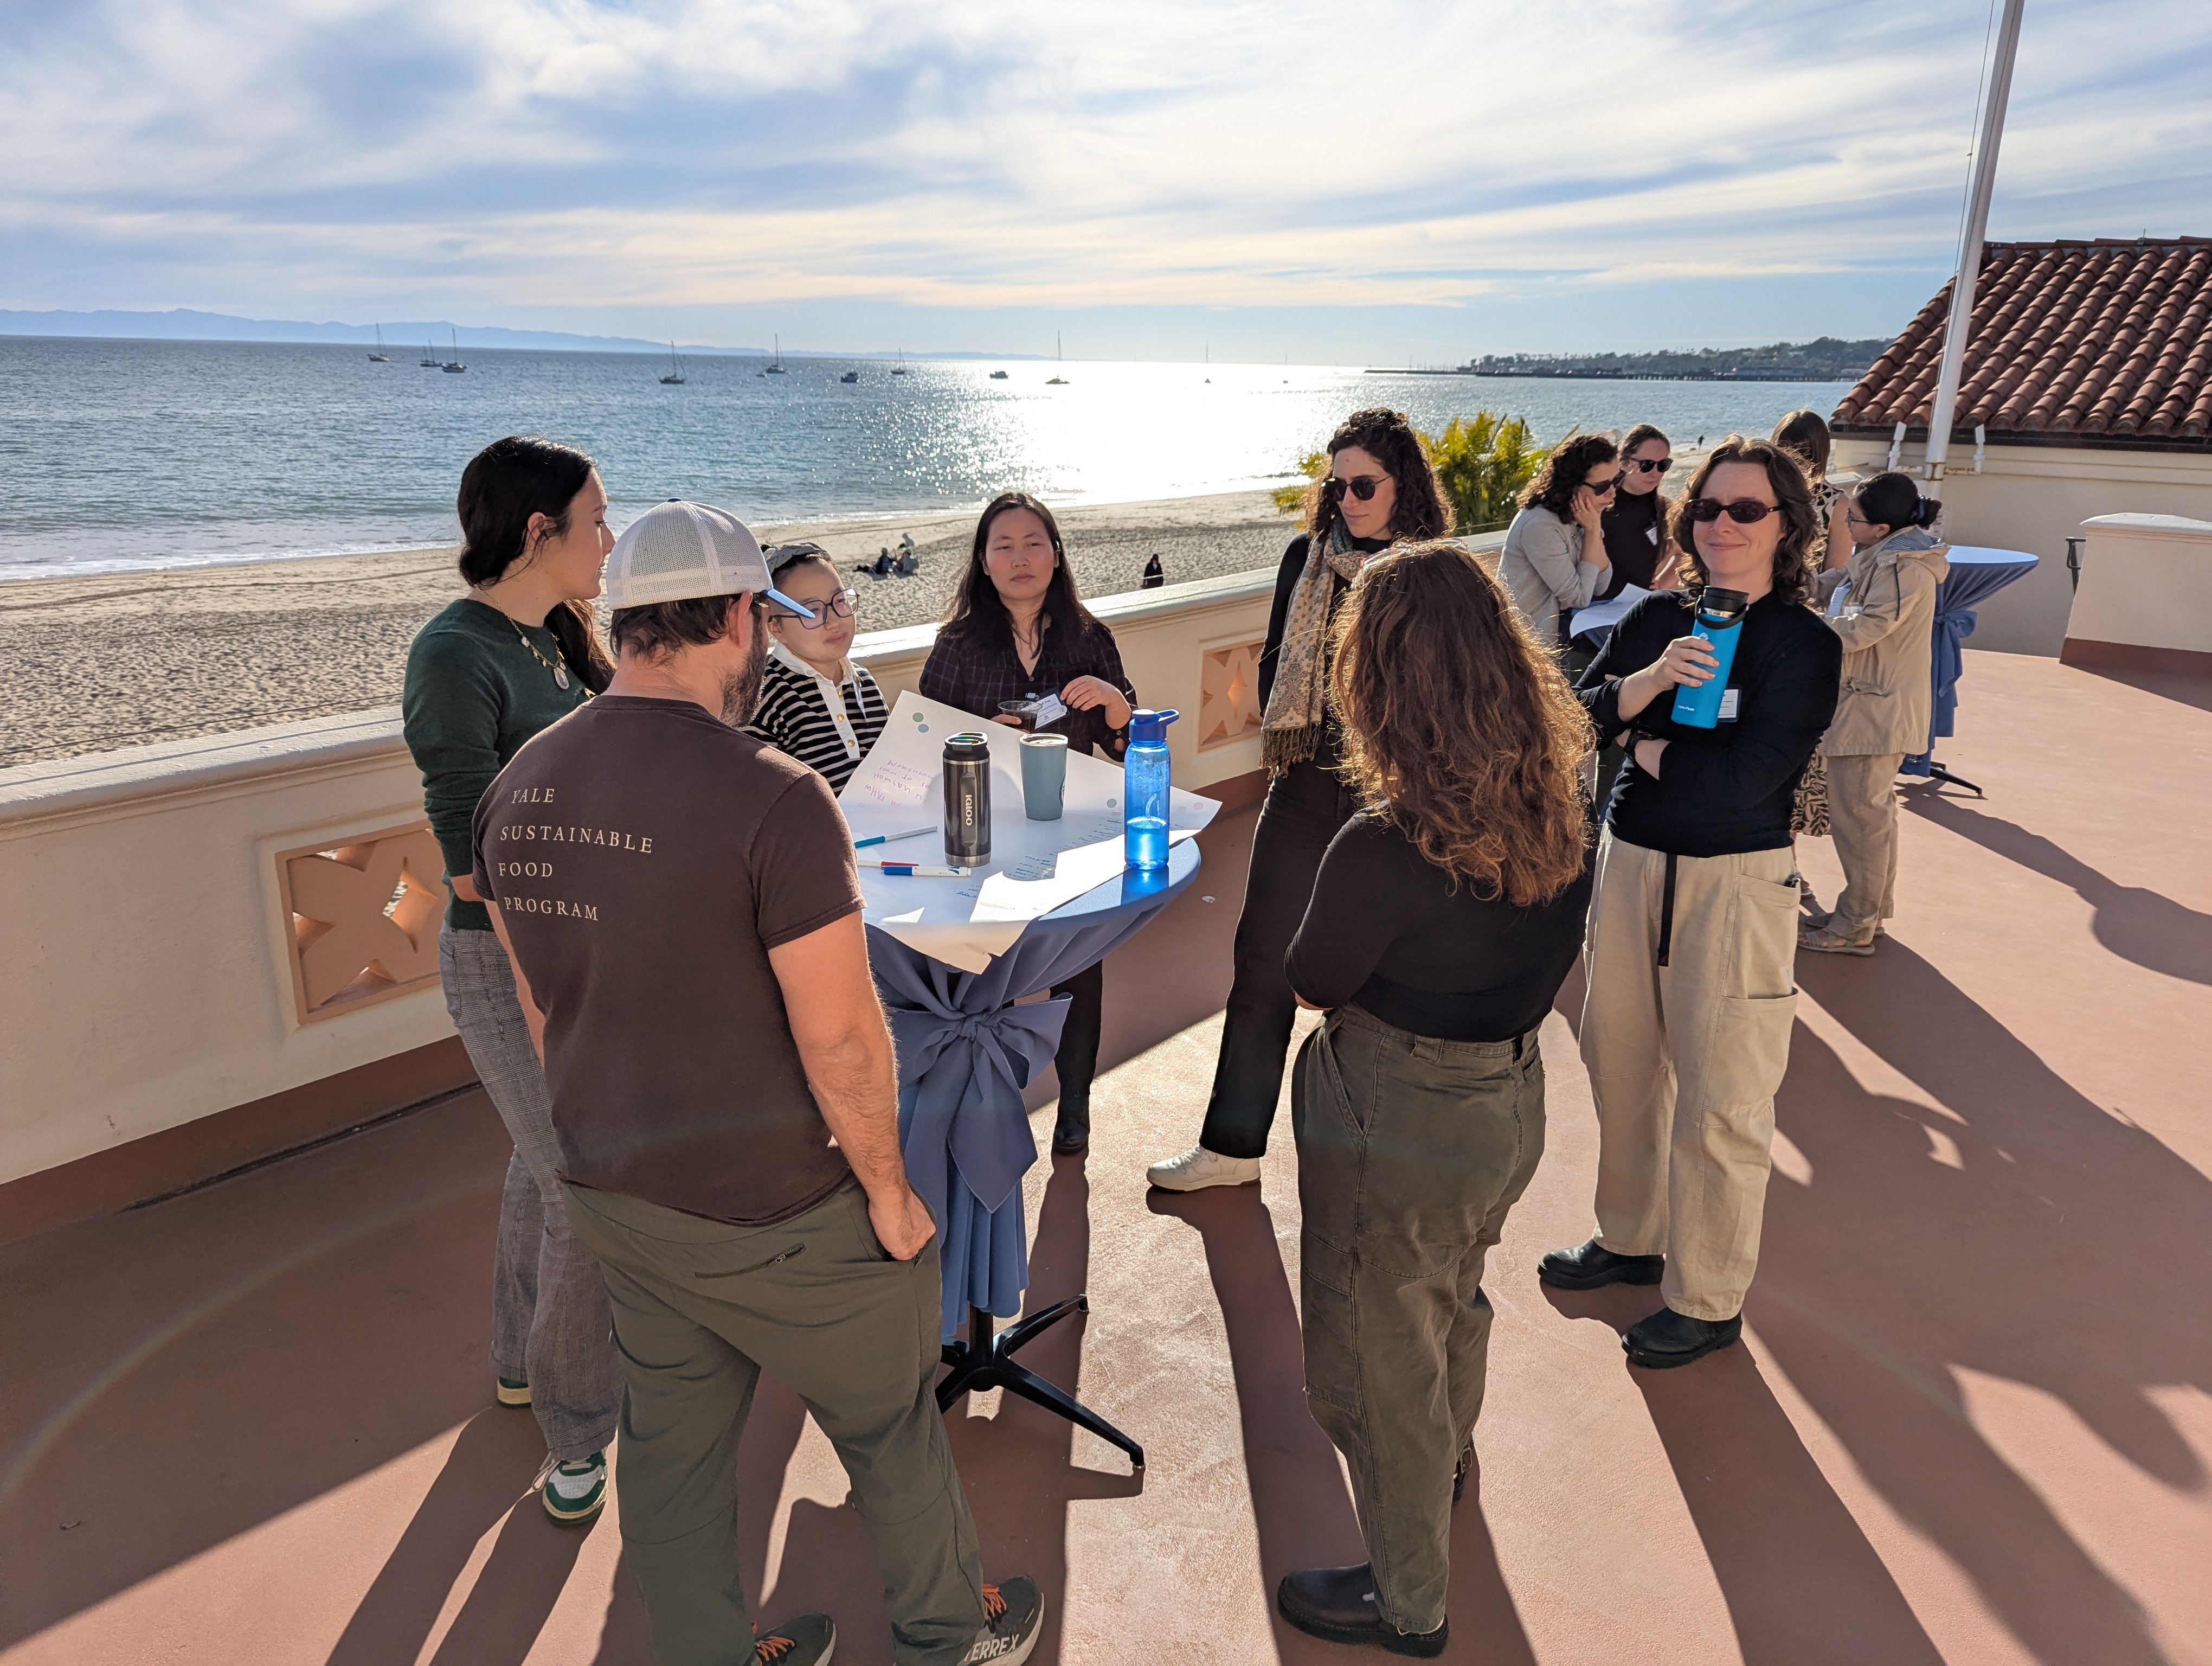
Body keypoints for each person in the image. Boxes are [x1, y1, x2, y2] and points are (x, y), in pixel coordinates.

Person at [472, 499, 1043, 1666]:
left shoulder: (519, 785)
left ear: (624, 619)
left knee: (673, 1460)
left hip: (621, 1194)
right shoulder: (777, 794)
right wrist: (888, 1194)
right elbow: (841, 1040)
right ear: (740, 619)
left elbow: (545, 1013)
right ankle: (950, 1640)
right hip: (785, 1210)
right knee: (888, 1430)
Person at [1275, 542, 1594, 1656]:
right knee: (1448, 1299)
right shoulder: (1560, 803)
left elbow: (1313, 978)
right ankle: (1444, 1468)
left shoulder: (1386, 839)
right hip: (1505, 1100)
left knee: (1374, 1360)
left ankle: (1408, 1598)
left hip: (1398, 1114)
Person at [1539, 436, 1842, 1369]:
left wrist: (1644, 748)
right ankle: (1631, 1235)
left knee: (1722, 1097)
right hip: (1630, 864)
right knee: (1621, 1063)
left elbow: (1749, 784)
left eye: (1746, 510)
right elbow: (1576, 721)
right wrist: (1651, 684)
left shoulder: (1805, 644)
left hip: (1735, 884)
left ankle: (1707, 1297)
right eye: (1708, 508)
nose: (1722, 525)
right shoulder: (1655, 620)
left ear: (1787, 525)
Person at [402, 435, 622, 1524]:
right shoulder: (455, 654)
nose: (608, 541)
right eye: (596, 520)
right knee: (581, 1176)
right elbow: (466, 858)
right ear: (540, 533)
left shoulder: (559, 637)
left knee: (539, 1164)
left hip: (577, 947)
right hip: (507, 962)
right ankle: (578, 1431)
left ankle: (516, 1356)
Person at [1147, 407, 1451, 1192]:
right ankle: (1232, 1148)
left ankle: (1372, 1160)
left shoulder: (1429, 575)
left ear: (1402, 486)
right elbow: (1281, 657)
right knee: (1262, 961)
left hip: (1392, 794)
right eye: (1337, 484)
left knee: (1377, 978)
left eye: (1365, 485)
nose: (1347, 499)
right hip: (1306, 781)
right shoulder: (1304, 561)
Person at [918, 492, 1135, 1156]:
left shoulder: (1090, 639)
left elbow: (1126, 745)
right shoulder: (957, 646)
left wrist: (1115, 703)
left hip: (1072, 833)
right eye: (1003, 546)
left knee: (1079, 966)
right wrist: (981, 737)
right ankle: (995, 1099)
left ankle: (1075, 1105)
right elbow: (926, 743)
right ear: (983, 563)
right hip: (989, 835)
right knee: (996, 967)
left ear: (1057, 553)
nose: (1019, 558)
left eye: (1033, 542)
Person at [1799, 472, 1949, 955]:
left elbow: (1869, 627)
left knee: (1860, 820)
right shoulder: (1883, 556)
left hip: (1877, 710)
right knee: (1871, 818)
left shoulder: (1905, 569)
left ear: (1882, 528)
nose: (1846, 523)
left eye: (1854, 518)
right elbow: (1836, 585)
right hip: (1868, 706)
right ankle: (1866, 913)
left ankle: (1854, 925)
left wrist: (1804, 630)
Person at [743, 541, 889, 792]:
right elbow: (762, 799)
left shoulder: (864, 682)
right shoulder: (762, 698)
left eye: (840, 600)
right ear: (775, 626)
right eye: (811, 611)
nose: (834, 621)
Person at [1772, 408, 1848, 855]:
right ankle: (1789, 850)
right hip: (1804, 625)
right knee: (1801, 740)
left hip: (1759, 615)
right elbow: (1836, 575)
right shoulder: (1837, 503)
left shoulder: (1768, 496)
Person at [1498, 433, 1621, 648]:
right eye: (1602, 487)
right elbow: (1580, 598)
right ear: (1572, 485)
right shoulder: (1541, 525)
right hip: (1522, 645)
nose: (1612, 494)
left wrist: (1593, 529)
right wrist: (1593, 531)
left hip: (1552, 639)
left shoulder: (1579, 517)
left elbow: (1602, 583)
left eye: (1616, 481)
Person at [1596, 424, 1681, 601]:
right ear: (1625, 462)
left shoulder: (1665, 508)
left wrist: (1662, 583)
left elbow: (1685, 553)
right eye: (1647, 465)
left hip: (1639, 607)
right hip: (1593, 608)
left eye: (1663, 465)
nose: (1655, 473)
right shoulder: (1600, 501)